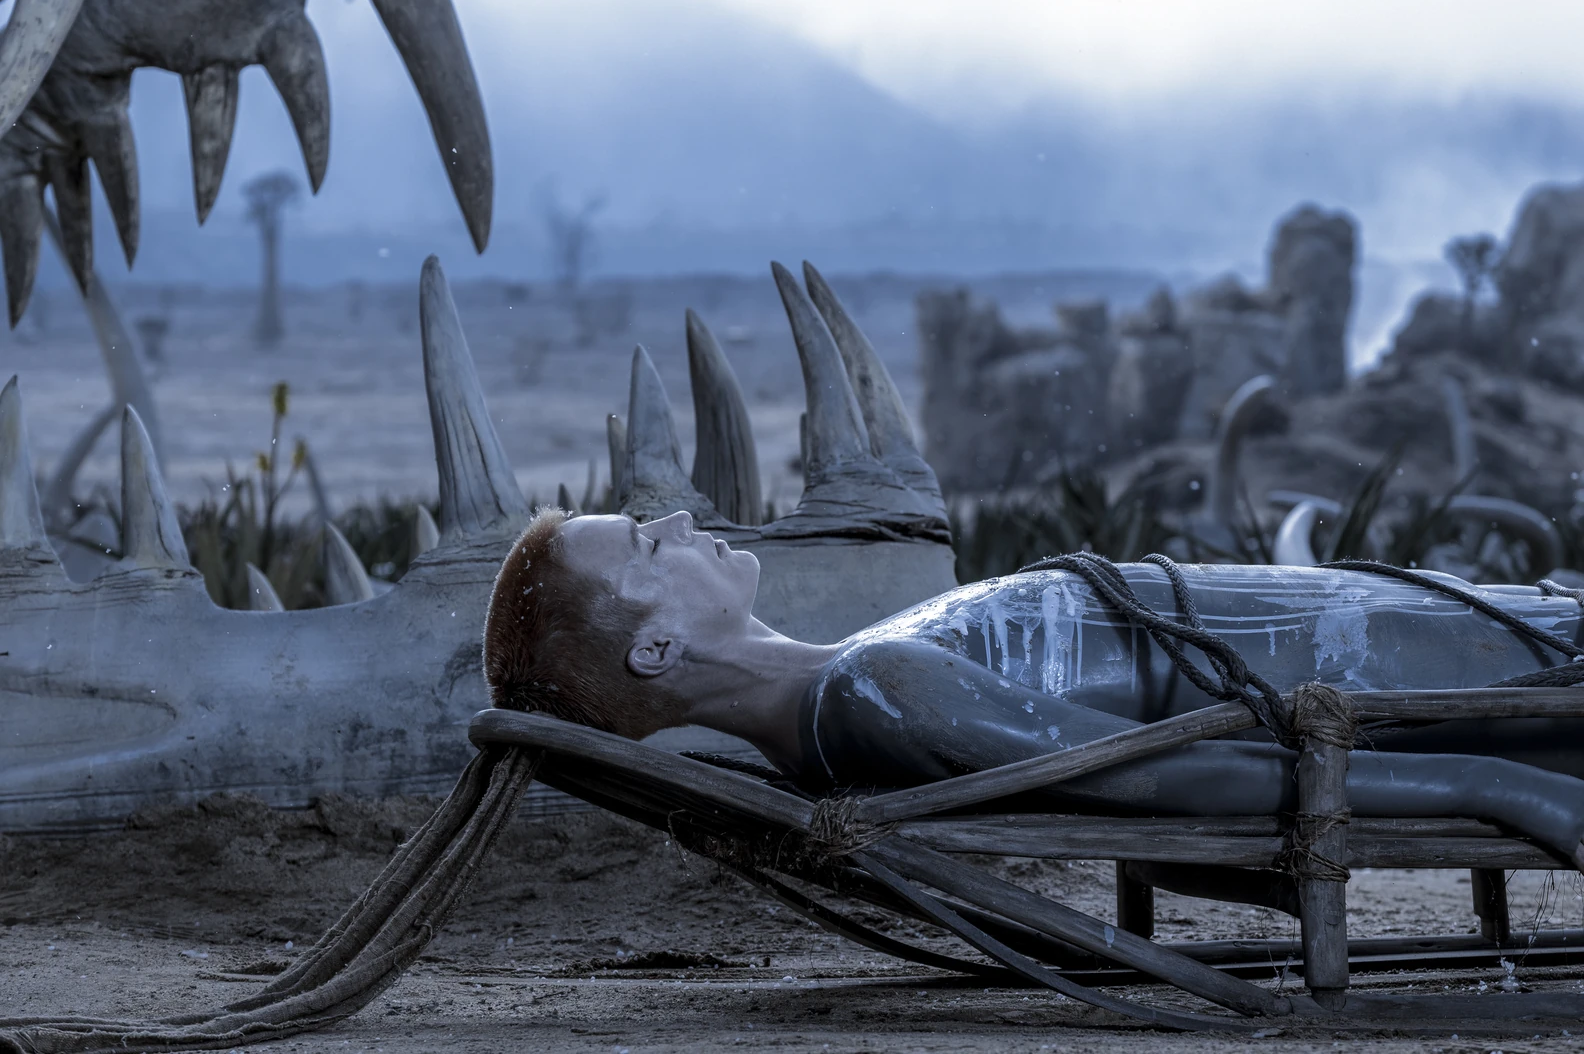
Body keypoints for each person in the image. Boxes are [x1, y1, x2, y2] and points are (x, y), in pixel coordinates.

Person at [483, 507, 1584, 873]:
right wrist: (1493, 784)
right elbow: (1175, 775)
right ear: (655, 650)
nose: (677, 521)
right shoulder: (872, 690)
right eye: (645, 543)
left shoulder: (843, 689)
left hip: (1319, 641)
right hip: (1369, 670)